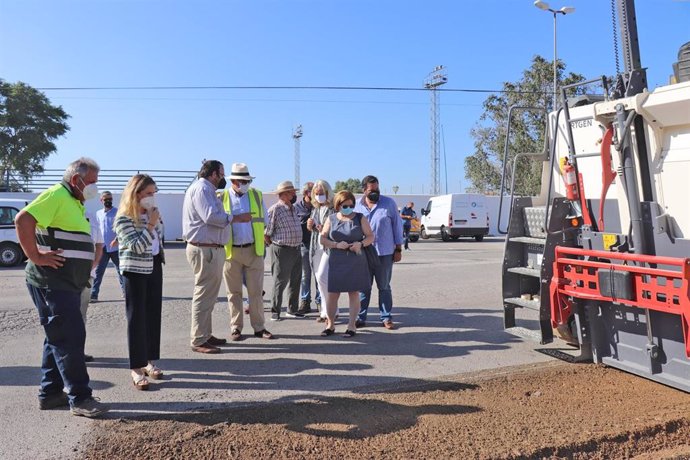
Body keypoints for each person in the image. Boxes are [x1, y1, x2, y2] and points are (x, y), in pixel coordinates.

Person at [14, 157, 109, 418]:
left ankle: (51, 393)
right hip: (51, 282)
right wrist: (36, 256)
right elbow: (23, 220)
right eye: (91, 182)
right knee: (70, 337)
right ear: (76, 179)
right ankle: (80, 398)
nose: (94, 188)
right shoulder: (56, 194)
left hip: (66, 282)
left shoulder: (74, 202)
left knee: (56, 336)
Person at [183, 160, 251, 354]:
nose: (223, 178)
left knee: (209, 296)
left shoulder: (206, 190)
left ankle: (205, 334)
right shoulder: (203, 189)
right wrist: (234, 217)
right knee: (204, 295)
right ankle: (198, 339)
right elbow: (210, 217)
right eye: (221, 174)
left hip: (211, 249)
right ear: (213, 174)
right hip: (205, 249)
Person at [115, 174, 165, 390]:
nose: (152, 197)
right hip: (134, 271)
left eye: (154, 193)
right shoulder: (124, 218)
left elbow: (156, 242)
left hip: (153, 267)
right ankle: (136, 367)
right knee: (136, 319)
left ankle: (150, 361)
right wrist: (152, 225)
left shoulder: (152, 214)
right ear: (136, 194)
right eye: (148, 193)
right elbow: (136, 246)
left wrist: (154, 223)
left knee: (153, 315)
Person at [219, 163, 273, 342]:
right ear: (233, 181)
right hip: (230, 251)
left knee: (255, 292)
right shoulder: (222, 197)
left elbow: (264, 220)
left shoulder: (256, 196)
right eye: (242, 181)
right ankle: (236, 327)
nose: (245, 183)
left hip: (253, 250)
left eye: (247, 180)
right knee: (233, 292)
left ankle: (259, 327)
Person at [317, 191, 375, 338]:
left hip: (355, 260)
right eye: (345, 205)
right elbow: (322, 239)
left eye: (351, 205)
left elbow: (370, 236)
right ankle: (330, 324)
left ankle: (351, 326)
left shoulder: (360, 218)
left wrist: (360, 244)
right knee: (332, 294)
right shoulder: (331, 219)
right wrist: (336, 244)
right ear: (337, 205)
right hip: (337, 260)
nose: (348, 208)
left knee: (353, 293)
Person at [354, 175, 404, 330]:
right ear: (364, 190)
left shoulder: (389, 204)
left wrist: (398, 248)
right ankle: (360, 317)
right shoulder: (357, 206)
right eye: (371, 190)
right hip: (364, 254)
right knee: (363, 287)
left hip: (385, 253)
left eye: (377, 189)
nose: (375, 192)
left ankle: (386, 317)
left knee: (384, 286)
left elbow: (397, 227)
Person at [265, 180, 303, 321]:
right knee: (280, 281)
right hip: (282, 249)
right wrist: (275, 246)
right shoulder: (275, 209)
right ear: (284, 194)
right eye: (291, 192)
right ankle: (275, 311)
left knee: (295, 280)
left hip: (296, 248)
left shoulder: (293, 208)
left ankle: (292, 309)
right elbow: (267, 232)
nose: (294, 194)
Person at [307, 180, 335, 322]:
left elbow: (337, 226)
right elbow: (311, 227)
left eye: (321, 193)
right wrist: (310, 224)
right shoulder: (315, 208)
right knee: (319, 279)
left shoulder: (333, 208)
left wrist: (325, 227)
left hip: (328, 247)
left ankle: (330, 310)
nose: (319, 196)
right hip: (315, 246)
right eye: (316, 194)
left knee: (323, 277)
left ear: (328, 193)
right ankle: (325, 311)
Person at [91, 191, 125, 301]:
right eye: (106, 199)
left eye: (110, 199)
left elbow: (122, 228)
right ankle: (94, 295)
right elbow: (96, 229)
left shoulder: (118, 212)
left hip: (115, 248)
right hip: (103, 248)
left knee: (121, 271)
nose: (108, 201)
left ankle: (126, 292)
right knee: (98, 272)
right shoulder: (98, 213)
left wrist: (117, 239)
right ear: (101, 200)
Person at [79, 210, 103, 362]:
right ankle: (64, 352)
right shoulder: (61, 214)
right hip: (65, 277)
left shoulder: (91, 217)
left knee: (81, 315)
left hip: (87, 276)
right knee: (63, 316)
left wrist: (94, 264)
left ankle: (78, 351)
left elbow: (99, 244)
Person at [294, 181, 316, 314]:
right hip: (304, 245)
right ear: (306, 193)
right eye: (313, 192)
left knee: (319, 275)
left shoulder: (319, 206)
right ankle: (305, 301)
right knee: (305, 275)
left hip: (319, 245)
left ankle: (320, 301)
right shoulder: (296, 207)